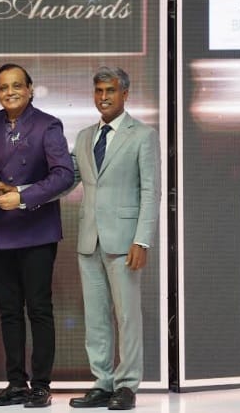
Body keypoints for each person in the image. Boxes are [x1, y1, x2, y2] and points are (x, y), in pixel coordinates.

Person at [0, 63, 74, 408]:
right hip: (0, 229)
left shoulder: (48, 124)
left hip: (37, 230)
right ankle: (16, 383)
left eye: (17, 85)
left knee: (39, 309)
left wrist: (22, 195)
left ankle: (41, 385)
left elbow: (64, 175)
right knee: (9, 310)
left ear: (30, 89)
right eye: (3, 87)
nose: (10, 92)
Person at [68, 67, 161, 410]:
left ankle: (127, 385)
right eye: (98, 91)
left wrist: (142, 240)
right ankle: (103, 383)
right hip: (89, 239)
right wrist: (21, 193)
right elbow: (65, 180)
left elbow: (151, 192)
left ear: (125, 94)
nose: (103, 97)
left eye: (110, 90)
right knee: (95, 317)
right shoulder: (83, 137)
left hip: (124, 242)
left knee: (127, 316)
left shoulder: (143, 135)